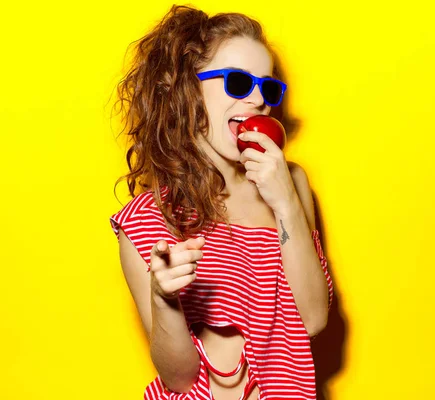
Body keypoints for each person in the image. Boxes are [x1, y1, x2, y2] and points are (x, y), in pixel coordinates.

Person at [109, 5, 333, 400]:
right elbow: (178, 378)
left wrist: (285, 204)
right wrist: (164, 299)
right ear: (187, 89)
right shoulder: (146, 219)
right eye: (237, 82)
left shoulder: (291, 182)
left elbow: (313, 320)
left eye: (268, 87)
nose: (258, 99)